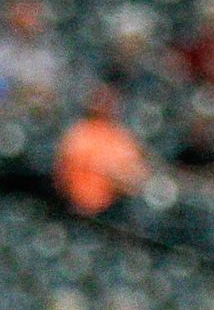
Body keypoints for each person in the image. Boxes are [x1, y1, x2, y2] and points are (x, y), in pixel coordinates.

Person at [53, 87, 149, 216]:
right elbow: (63, 169)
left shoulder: (120, 138)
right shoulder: (80, 132)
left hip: (109, 209)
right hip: (73, 205)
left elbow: (136, 177)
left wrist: (114, 174)